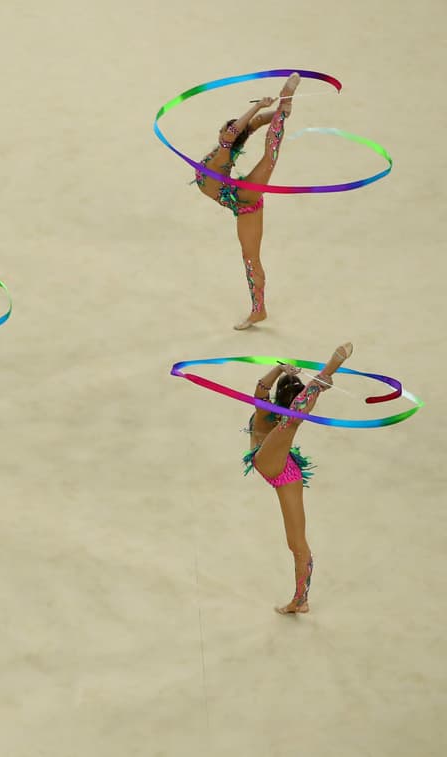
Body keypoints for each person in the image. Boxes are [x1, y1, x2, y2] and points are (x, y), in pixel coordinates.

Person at [243, 342, 353, 614]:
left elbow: (261, 387)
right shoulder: (265, 412)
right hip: (286, 469)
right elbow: (261, 389)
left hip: (271, 461)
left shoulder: (266, 413)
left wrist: (278, 370)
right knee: (296, 543)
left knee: (290, 423)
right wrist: (280, 368)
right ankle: (300, 600)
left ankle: (325, 373)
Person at [193, 72, 301, 330]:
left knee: (269, 159)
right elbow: (246, 127)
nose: (222, 132)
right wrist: (268, 112)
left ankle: (258, 310)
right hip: (240, 202)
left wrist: (269, 108)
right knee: (250, 257)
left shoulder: (221, 156)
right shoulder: (224, 152)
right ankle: (259, 310)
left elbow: (235, 131)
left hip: (242, 200)